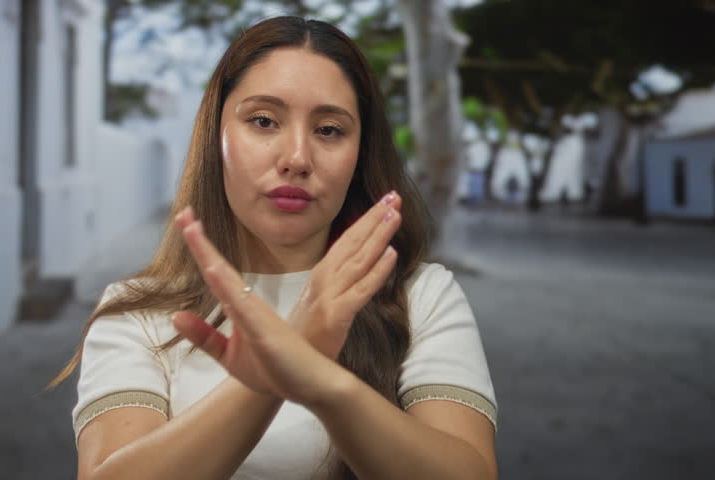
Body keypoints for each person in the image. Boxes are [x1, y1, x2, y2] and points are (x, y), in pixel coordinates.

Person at [50, 16, 497, 480]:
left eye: (329, 130)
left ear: (360, 154)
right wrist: (265, 384)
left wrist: (323, 383)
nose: (297, 158)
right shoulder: (137, 312)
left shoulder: (422, 297)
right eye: (263, 121)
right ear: (215, 137)